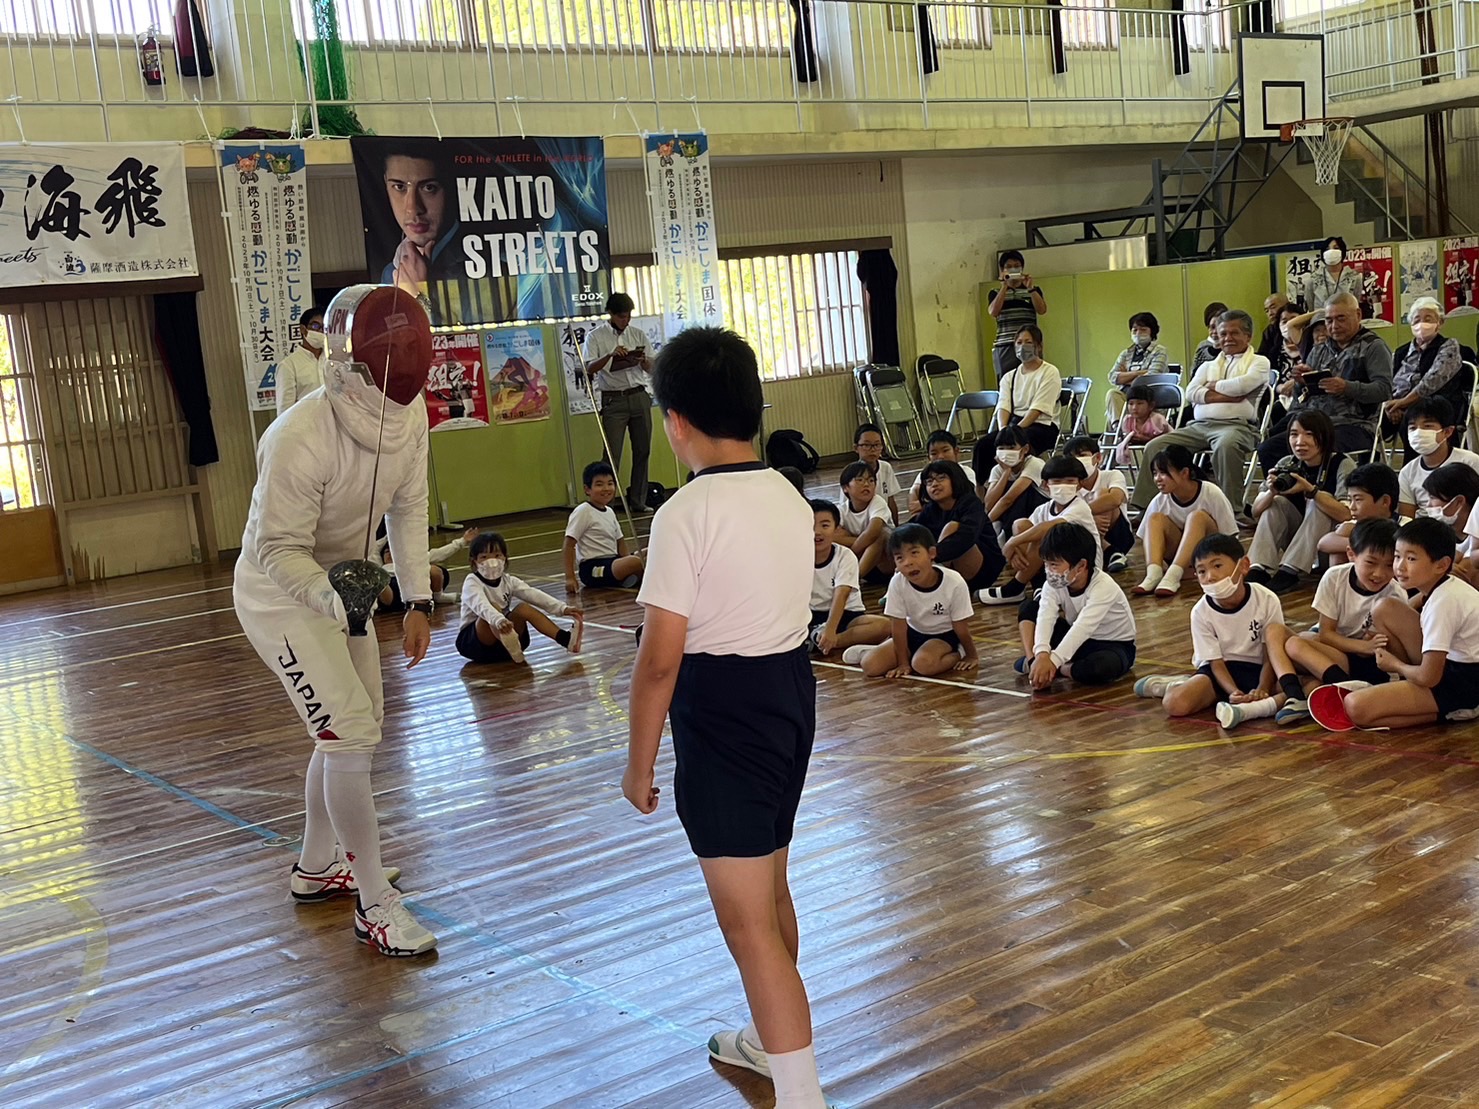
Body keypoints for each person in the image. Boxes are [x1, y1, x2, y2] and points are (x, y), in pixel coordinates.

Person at [622, 326, 828, 1108]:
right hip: (788, 696)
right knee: (770, 893)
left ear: (674, 421)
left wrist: (637, 761)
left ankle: (801, 1093)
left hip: (723, 713)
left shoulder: (685, 512)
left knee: (747, 926)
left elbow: (659, 660)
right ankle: (772, 1046)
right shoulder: (787, 493)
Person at [233, 284, 437, 957]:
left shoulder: (409, 416)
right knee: (347, 730)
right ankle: (373, 902)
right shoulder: (297, 437)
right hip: (280, 595)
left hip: (348, 586)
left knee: (356, 728)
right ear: (347, 367)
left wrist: (417, 600)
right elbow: (276, 549)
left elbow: (409, 507)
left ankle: (318, 864)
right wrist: (333, 599)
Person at [1133, 532, 1287, 728]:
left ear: (1243, 565)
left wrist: (1262, 687)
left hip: (1261, 668)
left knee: (1303, 686)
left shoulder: (1266, 599)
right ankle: (1178, 685)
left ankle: (1244, 702)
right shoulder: (1200, 612)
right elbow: (1216, 663)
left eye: (1217, 566)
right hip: (1221, 671)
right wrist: (1233, 692)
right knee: (1175, 704)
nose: (1210, 577)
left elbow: (1270, 654)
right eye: (1202, 571)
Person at [1342, 517, 1479, 729]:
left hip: (1464, 681)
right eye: (1397, 556)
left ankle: (1456, 710)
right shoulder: (1442, 588)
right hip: (1449, 667)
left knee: (1355, 707)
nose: (1400, 566)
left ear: (1442, 565)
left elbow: (1429, 677)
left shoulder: (1443, 603)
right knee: (1385, 608)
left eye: (1411, 559)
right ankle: (1422, 699)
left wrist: (1394, 665)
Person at [1131, 309, 1269, 514]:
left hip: (1236, 426)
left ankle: (1232, 511)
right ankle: (1146, 509)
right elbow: (1191, 393)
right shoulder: (1207, 366)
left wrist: (1212, 386)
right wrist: (1228, 394)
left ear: (1248, 336)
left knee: (1226, 446)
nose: (1227, 338)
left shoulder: (1259, 362)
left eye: (1234, 333)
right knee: (1155, 446)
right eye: (1223, 334)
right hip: (1198, 427)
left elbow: (1242, 386)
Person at [1268, 518, 1404, 724]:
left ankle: (1338, 688)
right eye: (1371, 562)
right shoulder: (1335, 577)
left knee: (1296, 644)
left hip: (1363, 664)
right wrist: (1363, 645)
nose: (1379, 573)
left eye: (1389, 565)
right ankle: (1300, 695)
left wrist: (1365, 648)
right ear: (1351, 554)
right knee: (1274, 631)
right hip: (1339, 649)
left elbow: (1376, 651)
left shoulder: (1394, 595)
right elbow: (1327, 634)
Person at [1259, 292, 1392, 473]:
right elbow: (1302, 397)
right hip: (1313, 422)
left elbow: (1384, 390)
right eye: (1329, 320)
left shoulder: (1373, 347)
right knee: (1267, 448)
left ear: (1358, 315)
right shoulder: (1319, 349)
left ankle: (1318, 488)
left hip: (1354, 424)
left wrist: (1347, 387)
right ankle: (1286, 488)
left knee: (1313, 446)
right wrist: (1301, 382)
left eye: (1341, 319)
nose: (1334, 326)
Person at [843, 523, 979, 678]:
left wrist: (971, 655)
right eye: (899, 558)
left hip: (944, 636)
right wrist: (903, 664)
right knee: (870, 666)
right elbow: (898, 627)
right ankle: (879, 651)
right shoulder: (897, 582)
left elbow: (961, 627)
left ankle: (958, 653)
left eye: (914, 553)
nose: (908, 562)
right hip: (913, 632)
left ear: (931, 553)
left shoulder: (954, 582)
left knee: (922, 665)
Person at [1014, 521, 1137, 689]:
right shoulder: (1053, 583)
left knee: (1101, 667)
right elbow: (1046, 616)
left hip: (1111, 644)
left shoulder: (1103, 586)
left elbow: (1083, 627)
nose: (1048, 571)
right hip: (1075, 639)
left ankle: (1056, 669)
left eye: (1054, 565)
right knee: (1029, 608)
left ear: (1081, 566)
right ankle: (1034, 663)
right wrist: (1041, 653)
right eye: (1046, 564)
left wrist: (1054, 662)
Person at [1245, 409, 1356, 595]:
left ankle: (1289, 570)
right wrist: (1271, 491)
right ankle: (1259, 567)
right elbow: (1256, 511)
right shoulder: (1287, 463)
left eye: (1309, 434)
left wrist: (1311, 491)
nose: (1300, 441)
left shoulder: (1341, 463)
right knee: (1276, 502)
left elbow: (1347, 514)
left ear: (1324, 437)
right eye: (1294, 434)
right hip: (1296, 540)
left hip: (1327, 544)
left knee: (1319, 501)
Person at [981, 454, 1101, 605]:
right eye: (1056, 481)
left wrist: (1012, 542)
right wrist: (1016, 550)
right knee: (1020, 524)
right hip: (1057, 565)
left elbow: (1049, 527)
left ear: (1080, 484)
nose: (1063, 486)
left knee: (1044, 536)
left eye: (1070, 481)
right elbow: (1022, 529)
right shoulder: (1044, 508)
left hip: (1083, 566)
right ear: (1045, 485)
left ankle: (1016, 587)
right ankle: (1039, 584)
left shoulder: (1080, 506)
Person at [456, 531, 583, 664]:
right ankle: (511, 643)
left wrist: (562, 608)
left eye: (497, 555)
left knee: (524, 608)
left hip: (505, 642)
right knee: (493, 607)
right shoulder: (472, 582)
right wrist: (499, 620)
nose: (492, 562)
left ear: (505, 558)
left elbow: (533, 594)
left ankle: (566, 640)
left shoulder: (508, 580)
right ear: (474, 561)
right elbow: (481, 605)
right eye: (484, 557)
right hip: (477, 644)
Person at [1132, 444, 1239, 597]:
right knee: (1154, 518)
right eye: (1155, 473)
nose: (1157, 479)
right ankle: (1153, 574)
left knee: (1197, 517)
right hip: (1176, 559)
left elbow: (1230, 537)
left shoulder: (1211, 493)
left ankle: (1173, 576)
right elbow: (1146, 537)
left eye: (1164, 473)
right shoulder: (1159, 500)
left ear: (1184, 473)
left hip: (1208, 557)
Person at [583, 293, 655, 514]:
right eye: (622, 316)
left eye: (629, 316)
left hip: (639, 395)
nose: (626, 320)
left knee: (642, 450)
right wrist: (610, 355)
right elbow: (589, 368)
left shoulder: (638, 334)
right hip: (614, 399)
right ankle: (606, 503)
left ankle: (638, 500)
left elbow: (652, 368)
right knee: (612, 454)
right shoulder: (596, 336)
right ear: (611, 314)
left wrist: (643, 360)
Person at [971, 325, 1062, 477]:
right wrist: (1003, 430)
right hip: (1014, 424)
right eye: (1019, 343)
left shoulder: (1049, 372)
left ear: (1039, 346)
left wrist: (1015, 432)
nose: (1022, 346)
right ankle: (982, 487)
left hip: (1042, 426)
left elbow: (1037, 408)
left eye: (1028, 342)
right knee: (983, 445)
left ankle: (1021, 482)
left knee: (1016, 445)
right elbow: (1003, 406)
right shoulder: (1009, 376)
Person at [1381, 298, 1467, 454]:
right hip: (1398, 406)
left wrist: (1402, 403)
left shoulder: (1449, 346)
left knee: (1412, 419)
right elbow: (1387, 381)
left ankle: (1417, 465)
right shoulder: (1401, 352)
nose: (1421, 324)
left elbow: (1432, 381)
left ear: (1440, 322)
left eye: (1428, 319)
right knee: (1368, 419)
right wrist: (1390, 405)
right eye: (1416, 320)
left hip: (1435, 403)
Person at [807, 500, 891, 656]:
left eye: (825, 526)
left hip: (846, 614)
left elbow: (842, 594)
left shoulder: (845, 556)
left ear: (836, 529)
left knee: (885, 626)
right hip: (811, 615)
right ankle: (819, 637)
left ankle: (822, 640)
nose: (817, 532)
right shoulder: (797, 556)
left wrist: (830, 630)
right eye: (811, 526)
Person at [914, 459, 1006, 590]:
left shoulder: (971, 503)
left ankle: (934, 578)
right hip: (944, 562)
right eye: (929, 481)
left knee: (952, 527)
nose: (934, 484)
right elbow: (914, 531)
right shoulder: (930, 509)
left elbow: (966, 538)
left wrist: (932, 556)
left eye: (941, 478)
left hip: (983, 567)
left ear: (955, 479)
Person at [564, 460, 645, 592]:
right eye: (599, 484)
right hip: (593, 568)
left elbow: (620, 542)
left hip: (613, 561)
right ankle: (637, 575)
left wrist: (627, 562)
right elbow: (568, 545)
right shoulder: (583, 511)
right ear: (587, 489)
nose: (606, 488)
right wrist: (570, 577)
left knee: (649, 552)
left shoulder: (610, 511)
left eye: (610, 483)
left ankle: (631, 576)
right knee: (637, 561)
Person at [1396, 396, 1479, 518]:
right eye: (1413, 428)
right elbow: (1406, 518)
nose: (1418, 432)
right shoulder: (1407, 473)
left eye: (1427, 426)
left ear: (1448, 431)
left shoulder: (1471, 462)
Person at [1065, 435, 1133, 573]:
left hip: (1117, 534)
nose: (1077, 461)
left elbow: (1115, 499)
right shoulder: (1068, 485)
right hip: (1082, 539)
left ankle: (1109, 550)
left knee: (1103, 494)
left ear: (1097, 457)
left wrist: (1084, 517)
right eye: (1072, 458)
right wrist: (1089, 522)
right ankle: (1110, 552)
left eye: (1082, 455)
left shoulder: (1112, 475)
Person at [1316, 462, 1400, 566]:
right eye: (1350, 500)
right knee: (1345, 530)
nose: (1352, 507)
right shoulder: (1354, 525)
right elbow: (1323, 543)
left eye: (1358, 499)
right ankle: (1341, 577)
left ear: (1385, 501)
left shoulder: (1404, 525)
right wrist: (1363, 545)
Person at [376, 525, 472, 610]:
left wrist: (463, 541)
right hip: (391, 588)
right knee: (378, 580)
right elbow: (374, 548)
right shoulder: (380, 566)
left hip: (411, 583)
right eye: (386, 552)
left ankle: (438, 597)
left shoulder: (410, 561)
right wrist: (389, 535)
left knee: (434, 570)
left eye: (392, 551)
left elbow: (439, 553)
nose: (389, 554)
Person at [987, 249, 1046, 381]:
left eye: (1016, 266)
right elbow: (993, 312)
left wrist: (1030, 288)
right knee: (1007, 382)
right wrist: (1004, 286)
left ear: (1022, 268)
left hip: (1029, 344)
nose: (1013, 269)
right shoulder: (995, 292)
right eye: (1009, 266)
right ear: (1002, 270)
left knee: (1033, 379)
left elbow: (1042, 310)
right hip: (1005, 345)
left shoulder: (1033, 290)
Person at [978, 424, 1047, 536]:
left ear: (1025, 449)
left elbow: (1008, 499)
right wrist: (1006, 473)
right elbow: (988, 504)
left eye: (1011, 448)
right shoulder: (997, 469)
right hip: (1008, 516)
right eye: (1001, 448)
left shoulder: (1034, 463)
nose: (1006, 452)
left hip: (1035, 513)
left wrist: (983, 526)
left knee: (1021, 494)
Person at [1105, 311, 1170, 423]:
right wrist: (1139, 373)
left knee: (1124, 406)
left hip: (1148, 398)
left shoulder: (1160, 352)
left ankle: (1122, 429)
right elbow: (1112, 377)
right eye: (1135, 330)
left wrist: (1125, 377)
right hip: (1128, 398)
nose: (1138, 333)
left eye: (1143, 330)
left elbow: (1150, 378)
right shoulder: (1126, 353)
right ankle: (1119, 428)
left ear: (1152, 332)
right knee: (1112, 394)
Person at [835, 460, 892, 582]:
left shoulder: (877, 502)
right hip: (866, 564)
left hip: (887, 564)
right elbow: (832, 537)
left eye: (871, 480)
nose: (866, 484)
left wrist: (852, 554)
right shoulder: (842, 510)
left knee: (880, 534)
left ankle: (852, 580)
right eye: (860, 480)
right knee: (837, 532)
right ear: (845, 488)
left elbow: (873, 531)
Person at [275, 305, 325, 418]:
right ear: (303, 329)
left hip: (332, 425)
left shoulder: (332, 360)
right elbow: (284, 412)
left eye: (324, 327)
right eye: (316, 326)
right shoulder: (289, 365)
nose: (320, 331)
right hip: (306, 425)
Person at [1113, 382, 1171, 470]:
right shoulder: (1128, 420)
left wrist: (1146, 439)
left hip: (1160, 452)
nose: (1134, 407)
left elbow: (1165, 440)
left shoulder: (1157, 419)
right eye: (1131, 404)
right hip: (1140, 454)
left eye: (1139, 403)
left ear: (1151, 406)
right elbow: (1127, 437)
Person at [854, 423, 902, 523]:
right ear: (856, 448)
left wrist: (896, 526)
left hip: (884, 521)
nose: (872, 450)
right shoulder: (851, 473)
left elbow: (890, 501)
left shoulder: (886, 467)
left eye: (876, 445)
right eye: (866, 445)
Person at [907, 429, 961, 515]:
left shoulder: (966, 472)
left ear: (956, 451)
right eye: (934, 453)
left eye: (945, 450)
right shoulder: (926, 474)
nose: (940, 457)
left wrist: (925, 506)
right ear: (928, 457)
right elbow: (914, 492)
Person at [1300, 236, 1361, 311]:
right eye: (1327, 249)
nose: (1331, 251)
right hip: (1321, 317)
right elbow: (1310, 306)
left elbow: (1356, 303)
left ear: (1342, 252)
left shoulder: (1355, 277)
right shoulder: (1313, 279)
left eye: (1336, 248)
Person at [1191, 301, 1228, 370]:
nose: (1215, 331)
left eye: (1219, 327)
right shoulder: (1202, 349)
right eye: (1212, 327)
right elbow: (1194, 373)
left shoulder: (1231, 346)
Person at [1256, 293, 1290, 365]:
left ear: (1287, 305)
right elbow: (1263, 357)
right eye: (1267, 311)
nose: (1270, 313)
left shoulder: (1300, 325)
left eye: (1273, 307)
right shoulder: (1269, 331)